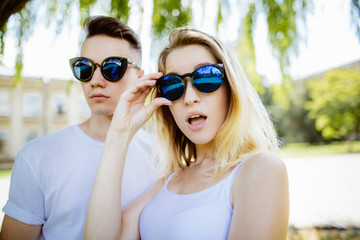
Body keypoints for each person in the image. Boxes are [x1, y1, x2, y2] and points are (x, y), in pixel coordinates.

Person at [84, 27, 289, 239]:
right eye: (173, 85)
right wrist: (119, 135)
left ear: (231, 88)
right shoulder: (167, 182)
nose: (189, 97)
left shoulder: (260, 170)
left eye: (205, 78)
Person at [0, 16, 158, 240]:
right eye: (84, 68)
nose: (95, 80)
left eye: (112, 67)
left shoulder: (160, 155)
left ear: (140, 77)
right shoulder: (36, 157)